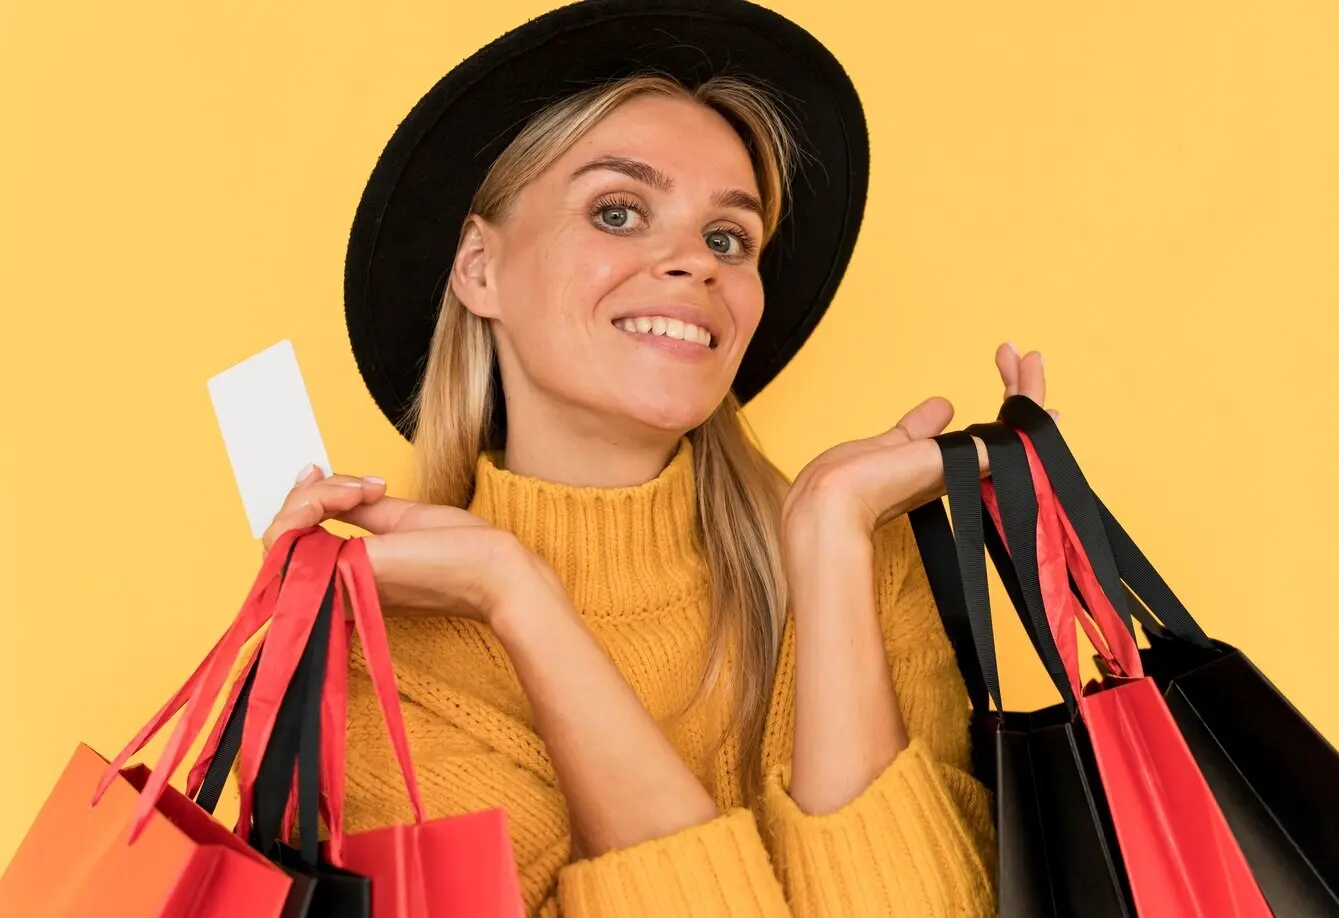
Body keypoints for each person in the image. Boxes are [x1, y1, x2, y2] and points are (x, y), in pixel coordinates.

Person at [259, 1, 1049, 914]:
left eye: (727, 238)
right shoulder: (374, 675)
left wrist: (832, 537)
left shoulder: (865, 564)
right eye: (619, 211)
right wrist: (519, 599)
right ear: (478, 268)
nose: (696, 263)